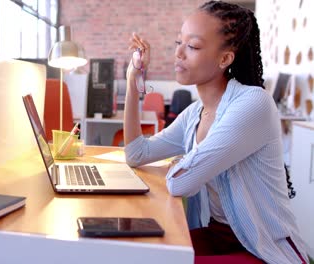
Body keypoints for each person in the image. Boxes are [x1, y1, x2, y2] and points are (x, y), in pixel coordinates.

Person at [123, 1, 308, 263]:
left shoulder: (253, 103)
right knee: (144, 250)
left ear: (225, 59)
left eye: (193, 46)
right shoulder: (194, 113)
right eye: (179, 43)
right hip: (218, 235)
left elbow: (181, 182)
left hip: (262, 247)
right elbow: (136, 153)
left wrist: (182, 165)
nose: (179, 54)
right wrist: (133, 81)